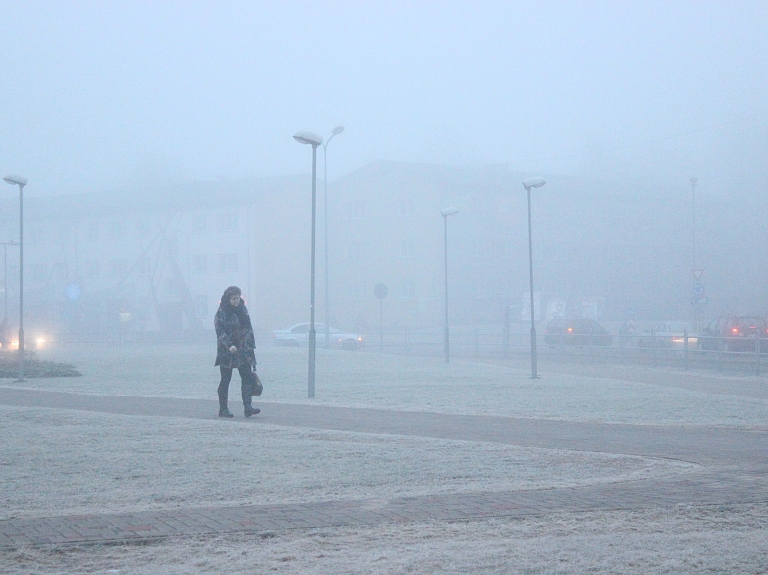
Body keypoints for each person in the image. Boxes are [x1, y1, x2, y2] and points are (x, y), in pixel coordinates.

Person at [214, 286, 260, 418]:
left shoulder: (242, 309)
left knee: (247, 377)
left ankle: (248, 407)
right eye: (234, 298)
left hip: (243, 350)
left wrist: (250, 348)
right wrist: (229, 345)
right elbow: (220, 332)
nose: (236, 300)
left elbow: (248, 329)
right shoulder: (222, 312)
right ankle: (223, 409)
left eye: (238, 298)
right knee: (225, 379)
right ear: (228, 299)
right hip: (227, 352)